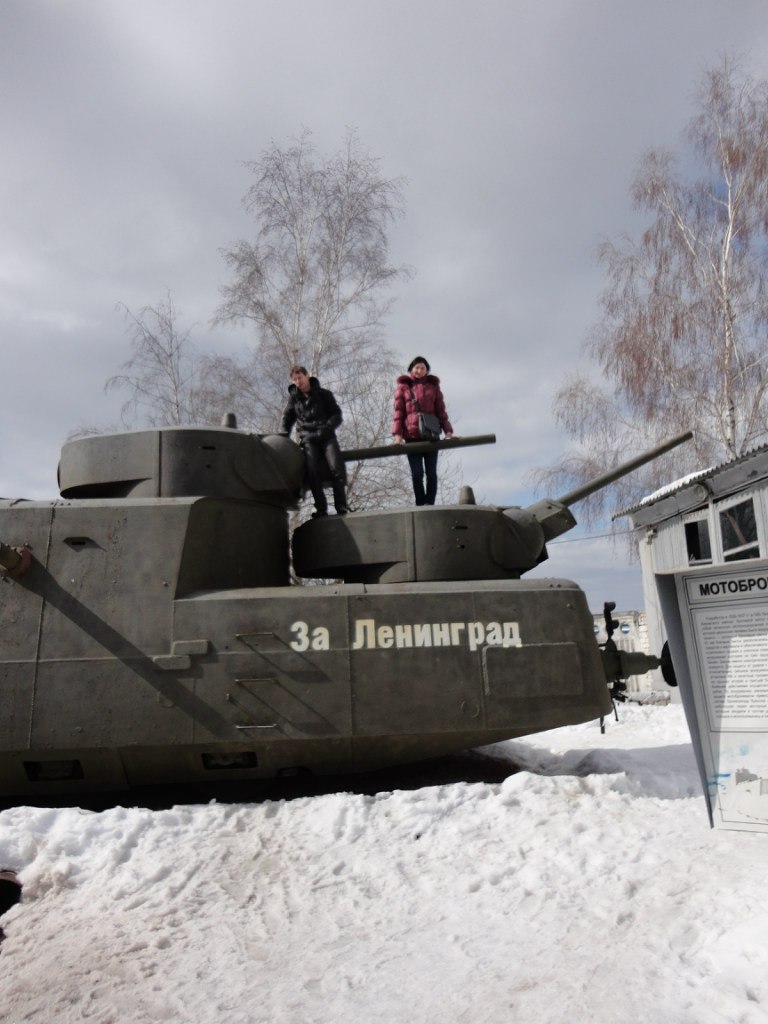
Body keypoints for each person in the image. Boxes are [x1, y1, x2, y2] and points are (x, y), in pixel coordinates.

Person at [280, 365, 349, 517]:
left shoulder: (324, 394)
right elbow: (287, 418)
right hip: (308, 439)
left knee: (336, 468)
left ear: (307, 376)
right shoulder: (294, 400)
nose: (298, 382)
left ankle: (341, 506)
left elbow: (337, 414)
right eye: (295, 379)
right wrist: (283, 435)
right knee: (312, 472)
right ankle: (321, 508)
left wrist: (327, 427)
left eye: (300, 378)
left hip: (327, 436)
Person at [392, 356, 453, 505]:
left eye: (423, 368)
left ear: (427, 371)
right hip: (412, 435)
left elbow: (441, 411)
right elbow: (398, 413)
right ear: (411, 369)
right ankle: (420, 503)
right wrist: (397, 436)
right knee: (417, 474)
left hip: (431, 435)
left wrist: (448, 432)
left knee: (431, 473)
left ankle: (430, 503)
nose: (419, 370)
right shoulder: (404, 387)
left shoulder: (433, 387)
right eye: (417, 367)